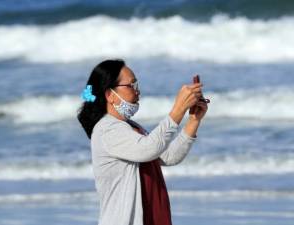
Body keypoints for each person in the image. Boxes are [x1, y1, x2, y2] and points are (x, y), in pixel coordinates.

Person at [77, 59, 208, 225]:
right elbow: (150, 149)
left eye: (137, 85)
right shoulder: (106, 129)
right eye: (131, 85)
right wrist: (178, 109)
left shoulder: (129, 127)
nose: (138, 91)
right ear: (110, 95)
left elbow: (168, 156)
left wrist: (193, 120)